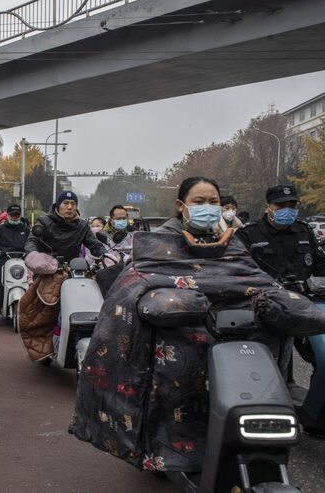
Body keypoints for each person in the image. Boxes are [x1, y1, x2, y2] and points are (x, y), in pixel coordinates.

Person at [71, 176, 325, 473]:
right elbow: (142, 280)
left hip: (233, 333)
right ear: (181, 206)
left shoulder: (233, 239)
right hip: (180, 334)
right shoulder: (162, 241)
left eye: (214, 202)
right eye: (199, 202)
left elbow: (248, 277)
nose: (209, 208)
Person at [236, 184, 325, 399]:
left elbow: (320, 264)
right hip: (267, 307)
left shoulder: (304, 231)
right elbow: (237, 271)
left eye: (292, 205)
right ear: (268, 207)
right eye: (281, 205)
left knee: (320, 356)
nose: (288, 209)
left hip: (304, 305)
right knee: (266, 362)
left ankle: (315, 410)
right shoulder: (249, 234)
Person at [24, 191, 109, 261]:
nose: (69, 207)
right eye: (65, 203)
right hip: (46, 268)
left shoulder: (83, 226)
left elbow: (94, 244)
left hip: (73, 269)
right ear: (58, 205)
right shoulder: (44, 222)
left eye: (73, 204)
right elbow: (32, 241)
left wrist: (106, 255)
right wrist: (33, 254)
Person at [0, 204, 30, 319]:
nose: (15, 217)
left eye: (17, 215)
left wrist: (32, 252)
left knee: (33, 280)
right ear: (8, 216)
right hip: (3, 258)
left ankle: (32, 310)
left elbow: (31, 243)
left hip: (23, 259)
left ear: (20, 216)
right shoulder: (0, 229)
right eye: (12, 215)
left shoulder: (26, 230)